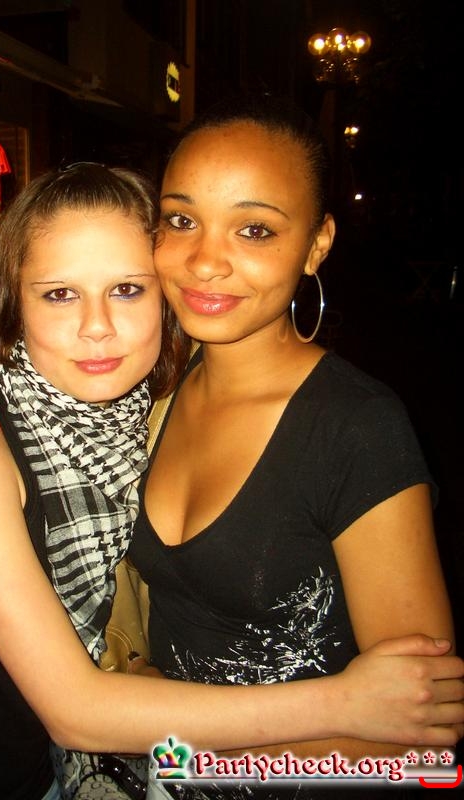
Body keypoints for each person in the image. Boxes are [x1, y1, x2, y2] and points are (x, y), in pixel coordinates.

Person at [0, 163, 462, 800]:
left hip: (50, 773)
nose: (97, 326)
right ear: (15, 304)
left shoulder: (140, 417)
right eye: (59, 294)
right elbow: (76, 710)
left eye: (127, 289)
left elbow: (422, 752)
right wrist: (345, 702)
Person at [127, 94, 463, 798]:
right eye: (181, 220)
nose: (204, 262)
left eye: (253, 230)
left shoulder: (356, 428)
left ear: (317, 244)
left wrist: (168, 736)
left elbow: (419, 742)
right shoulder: (153, 389)